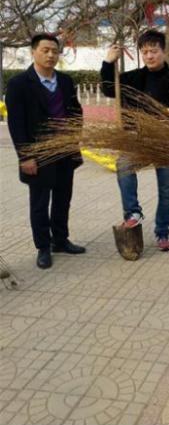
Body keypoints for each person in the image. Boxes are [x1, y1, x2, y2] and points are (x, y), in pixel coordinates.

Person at [101, 29, 169, 251]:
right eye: (145, 52)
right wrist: (108, 62)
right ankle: (133, 213)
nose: (149, 56)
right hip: (137, 139)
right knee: (123, 165)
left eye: (153, 51)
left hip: (167, 143)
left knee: (167, 190)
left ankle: (162, 232)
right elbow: (108, 89)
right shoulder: (133, 79)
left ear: (164, 52)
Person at [6, 33, 86, 269]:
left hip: (65, 151)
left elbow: (76, 111)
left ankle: (60, 240)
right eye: (45, 50)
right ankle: (43, 246)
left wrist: (74, 136)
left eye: (54, 50)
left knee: (63, 199)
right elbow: (16, 124)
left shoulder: (65, 81)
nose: (50, 55)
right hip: (38, 156)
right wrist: (25, 156)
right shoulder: (19, 84)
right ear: (33, 52)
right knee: (40, 202)